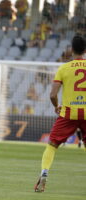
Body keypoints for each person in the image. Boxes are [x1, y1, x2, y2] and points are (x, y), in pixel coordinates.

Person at [34, 35, 86, 193]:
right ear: (84, 50)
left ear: (71, 49)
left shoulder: (64, 68)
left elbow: (52, 95)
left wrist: (57, 106)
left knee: (52, 145)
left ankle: (44, 173)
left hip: (68, 114)